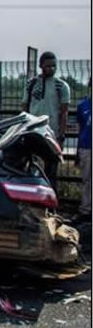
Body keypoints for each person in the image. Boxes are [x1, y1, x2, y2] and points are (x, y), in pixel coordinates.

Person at [23, 51, 71, 185]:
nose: (52, 69)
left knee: (51, 173)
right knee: (29, 170)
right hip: (32, 133)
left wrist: (61, 136)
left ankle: (50, 202)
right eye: (48, 66)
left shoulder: (61, 86)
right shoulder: (31, 84)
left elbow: (64, 113)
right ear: (41, 65)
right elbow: (24, 109)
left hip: (51, 135)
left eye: (54, 66)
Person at [77, 79, 91, 226]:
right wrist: (77, 151)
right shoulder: (83, 105)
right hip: (86, 145)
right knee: (86, 179)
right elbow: (81, 128)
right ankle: (85, 210)